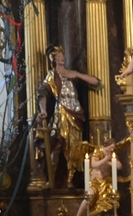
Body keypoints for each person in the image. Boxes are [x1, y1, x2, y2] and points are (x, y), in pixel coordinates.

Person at [36, 45, 100, 184]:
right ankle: (53, 178)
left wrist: (77, 75)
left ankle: (71, 179)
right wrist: (43, 110)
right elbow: (42, 93)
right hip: (62, 113)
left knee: (75, 148)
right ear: (53, 59)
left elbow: (96, 82)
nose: (62, 58)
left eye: (62, 55)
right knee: (59, 144)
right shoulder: (52, 75)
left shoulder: (71, 74)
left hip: (76, 114)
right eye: (59, 56)